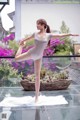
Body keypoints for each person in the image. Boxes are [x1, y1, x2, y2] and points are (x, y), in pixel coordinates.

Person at [15, 18, 79, 103]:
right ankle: (21, 48)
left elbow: (60, 35)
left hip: (38, 57)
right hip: (31, 53)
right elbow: (26, 39)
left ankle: (36, 97)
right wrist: (22, 44)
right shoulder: (35, 34)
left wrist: (70, 34)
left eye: (38, 24)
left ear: (43, 25)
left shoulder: (48, 35)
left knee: (37, 77)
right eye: (36, 24)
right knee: (16, 58)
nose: (37, 25)